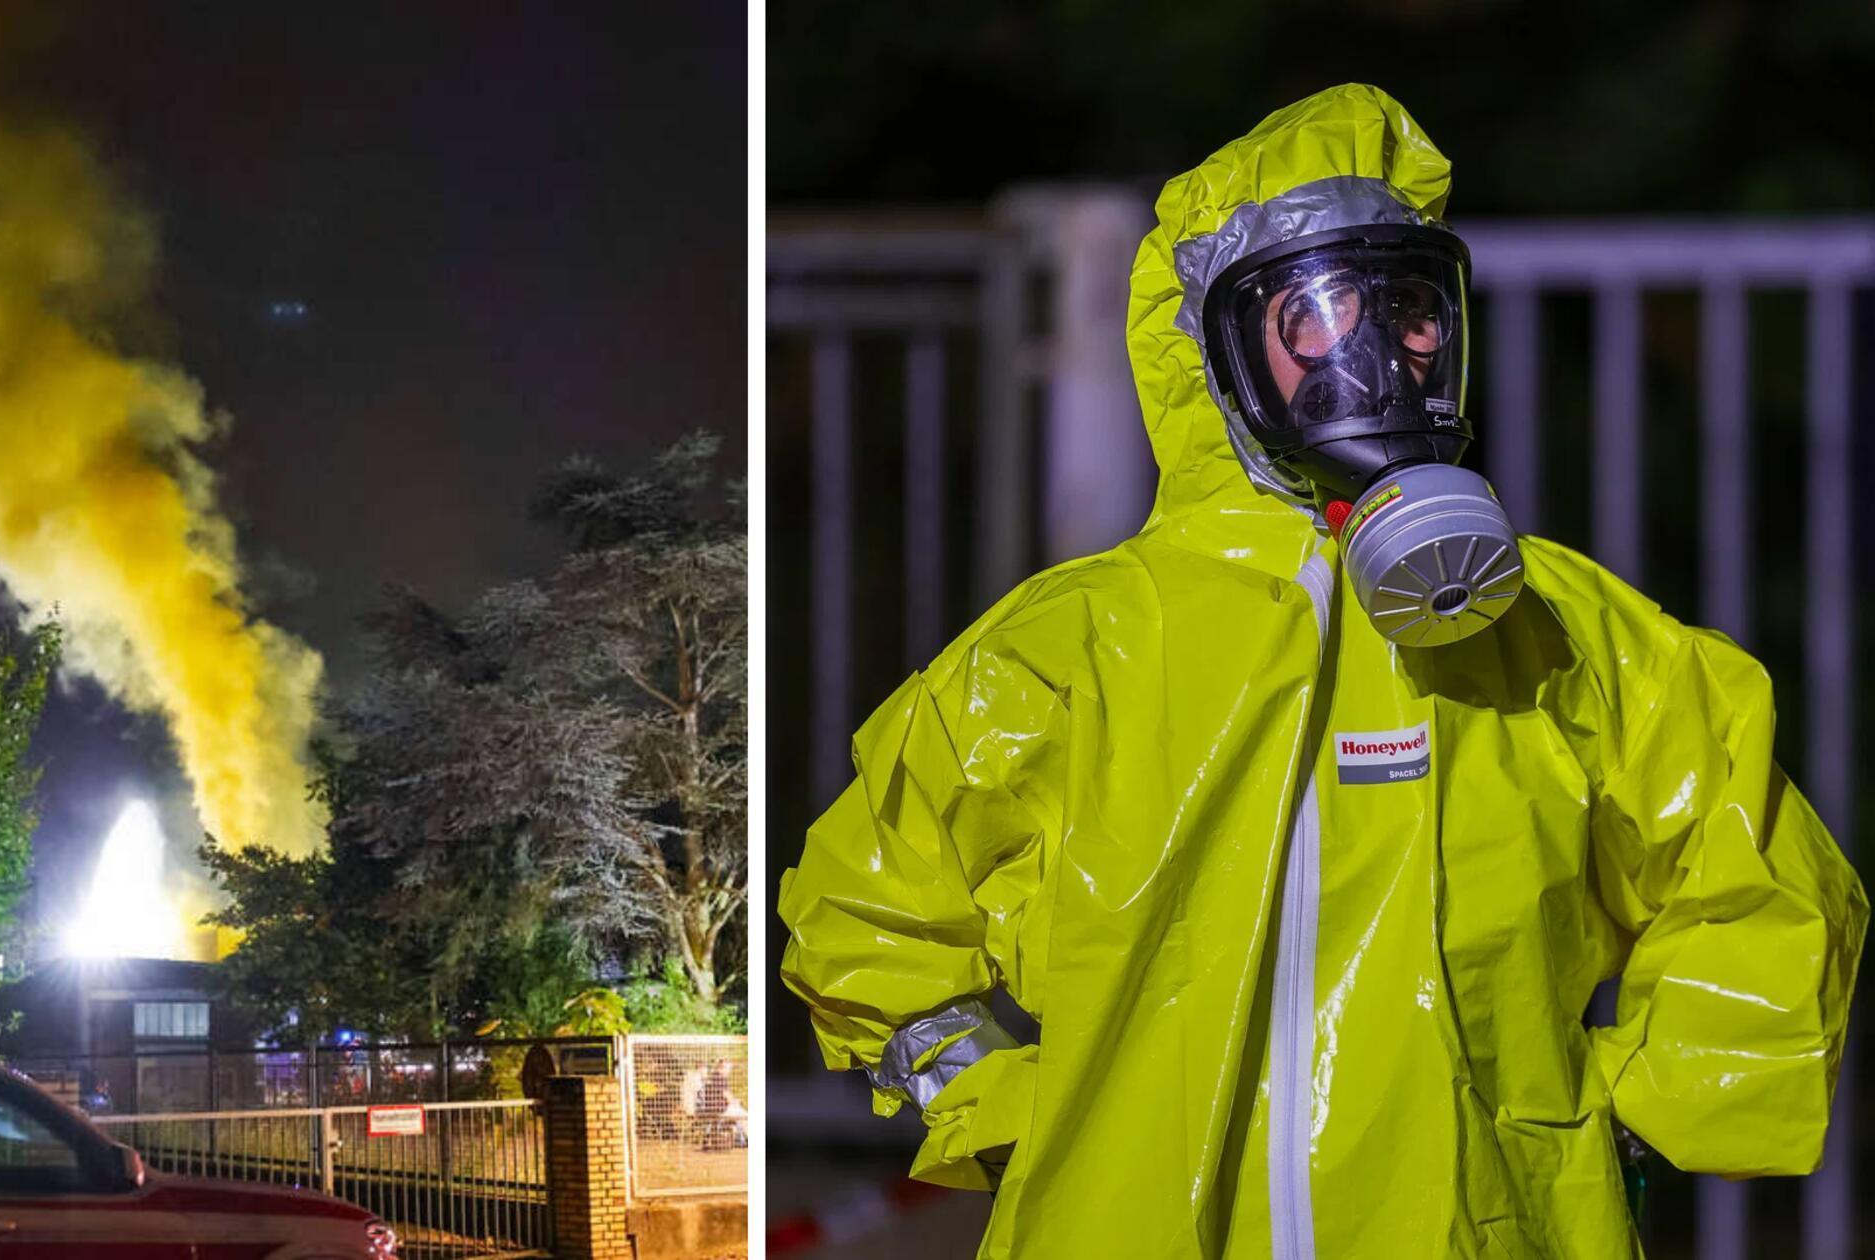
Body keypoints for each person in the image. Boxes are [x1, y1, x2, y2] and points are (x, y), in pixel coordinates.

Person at [777, 83, 1866, 1259]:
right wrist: (1012, 1116)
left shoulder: (1563, 634)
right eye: (1320, 311)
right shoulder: (1073, 651)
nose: (1381, 355)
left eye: (1405, 306)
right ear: (1217, 351)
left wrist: (1624, 1121)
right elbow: (864, 913)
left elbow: (1755, 885)